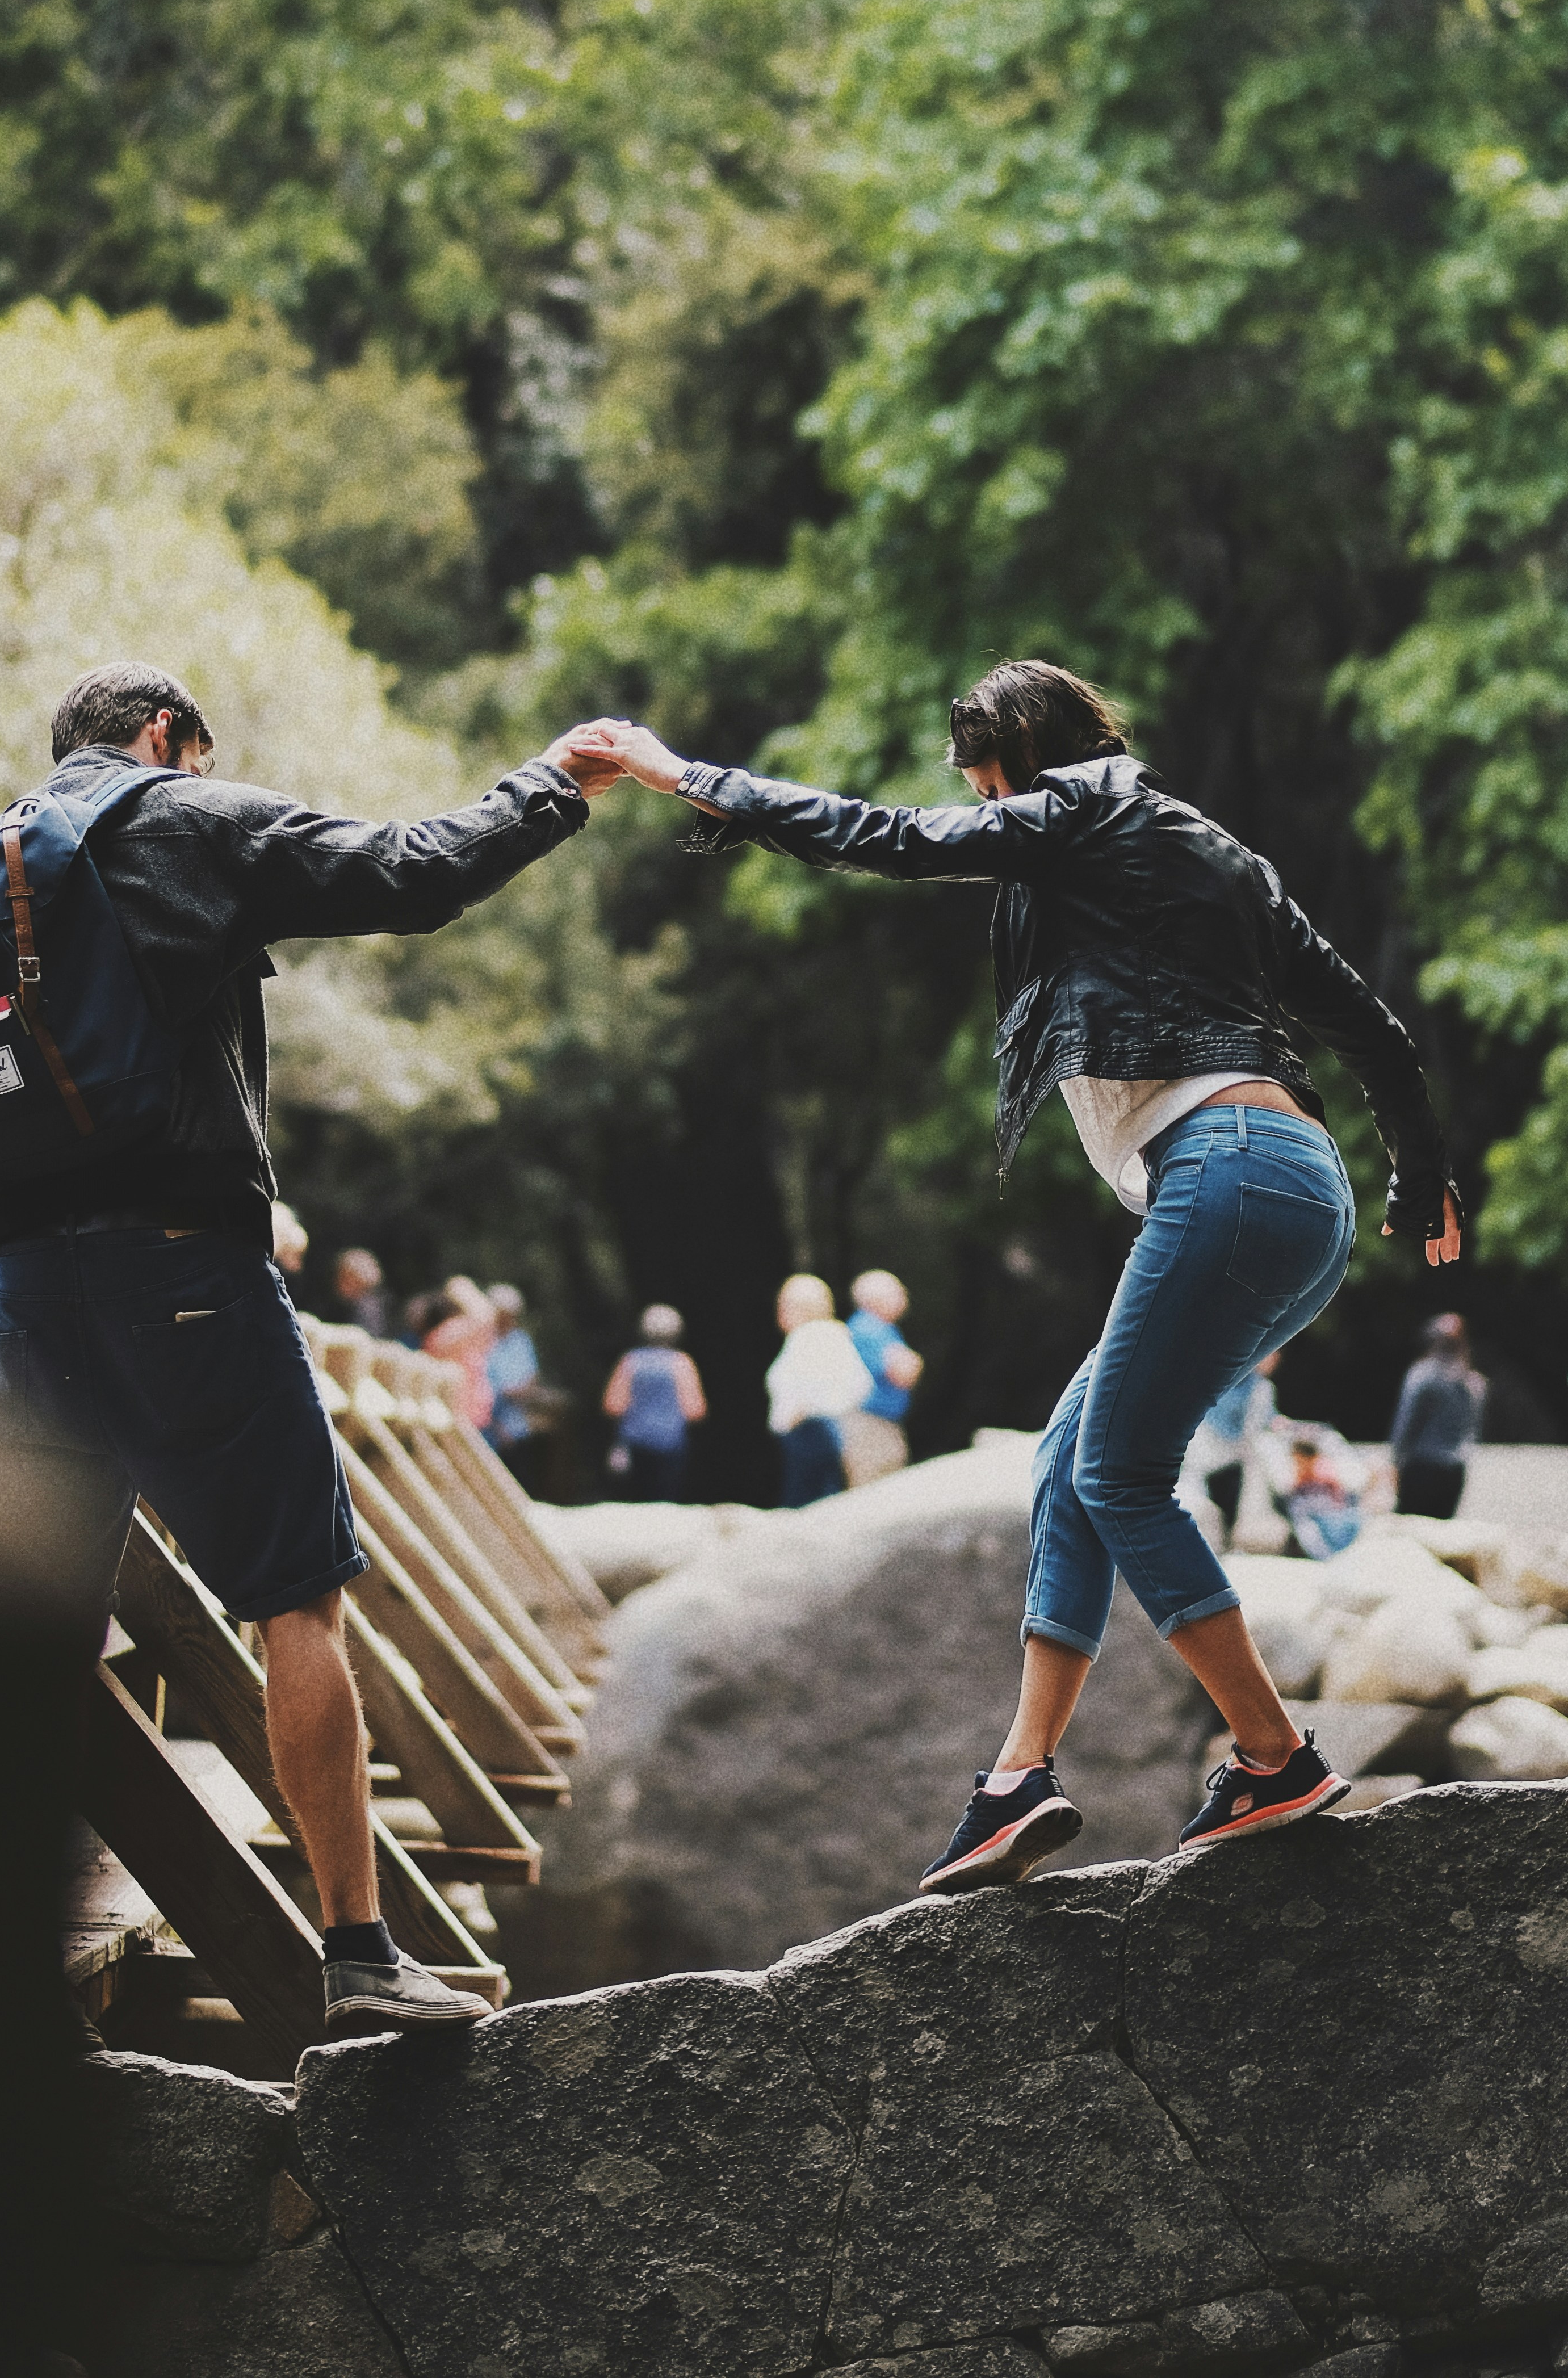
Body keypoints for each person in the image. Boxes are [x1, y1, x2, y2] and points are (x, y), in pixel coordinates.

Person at [0, 657, 617, 2033]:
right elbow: (413, 872)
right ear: (168, 738)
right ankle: (358, 1952)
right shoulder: (184, 821)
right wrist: (553, 786)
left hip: (9, 1297)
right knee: (291, 1596)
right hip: (182, 1272)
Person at [580, 656, 1460, 1875]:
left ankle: (1272, 1756)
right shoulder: (1218, 857)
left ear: (1022, 764)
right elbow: (1376, 1032)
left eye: (986, 786)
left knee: (1120, 1473)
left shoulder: (1084, 809)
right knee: (1069, 1463)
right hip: (1292, 1192)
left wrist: (692, 780)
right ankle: (1016, 1778)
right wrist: (1419, 1178)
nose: (984, 812)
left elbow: (882, 836)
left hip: (1228, 1168)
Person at [766, 1273, 876, 1508]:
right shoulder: (830, 1333)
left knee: (806, 1508)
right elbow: (861, 1386)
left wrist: (804, 1411)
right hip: (822, 1431)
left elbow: (851, 1386)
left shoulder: (810, 1336)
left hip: (809, 1432)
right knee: (824, 1503)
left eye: (784, 1305)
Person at [1388, 1311, 1486, 1521]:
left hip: (1421, 1467)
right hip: (1454, 1471)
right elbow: (1472, 1431)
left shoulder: (1422, 1375)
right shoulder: (1474, 1383)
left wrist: (1395, 1464)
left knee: (1410, 1532)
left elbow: (1405, 1425)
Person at [602, 1305, 706, 1498]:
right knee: (665, 1503)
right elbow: (695, 1411)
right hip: (671, 1446)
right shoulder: (682, 1363)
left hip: (634, 1445)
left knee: (635, 1503)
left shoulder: (630, 1361)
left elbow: (613, 1406)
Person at [1181, 1352, 1281, 1547]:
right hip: (1206, 1459)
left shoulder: (1257, 1386)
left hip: (1225, 1461)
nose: (1274, 1360)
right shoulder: (1252, 1386)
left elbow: (1264, 1423)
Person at [842, 1269, 924, 1484]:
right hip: (869, 1427)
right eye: (897, 1292)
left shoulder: (886, 1330)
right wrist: (912, 1362)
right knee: (872, 1492)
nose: (904, 1296)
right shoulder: (867, 1328)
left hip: (881, 1425)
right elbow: (903, 1373)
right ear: (875, 1298)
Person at [422, 1277, 499, 1437]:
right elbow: (484, 1317)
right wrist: (463, 1290)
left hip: (470, 1422)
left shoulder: (459, 1336)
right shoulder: (448, 1335)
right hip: (455, 1424)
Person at [1281, 1434, 1362, 1559]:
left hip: (1332, 1516)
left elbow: (1340, 1497)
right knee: (1306, 1529)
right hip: (1313, 1517)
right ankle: (1326, 1558)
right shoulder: (1301, 1479)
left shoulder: (1324, 1470)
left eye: (1299, 1460)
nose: (1297, 1464)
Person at [483, 1284, 540, 1454]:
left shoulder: (520, 1340)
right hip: (488, 1431)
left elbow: (532, 1377)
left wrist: (518, 1391)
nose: (510, 1320)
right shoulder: (480, 1341)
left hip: (516, 1429)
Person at [333, 1247, 392, 1339]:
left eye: (344, 1277)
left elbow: (368, 1339)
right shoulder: (350, 1304)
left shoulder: (369, 1308)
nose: (338, 1283)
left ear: (358, 1279)